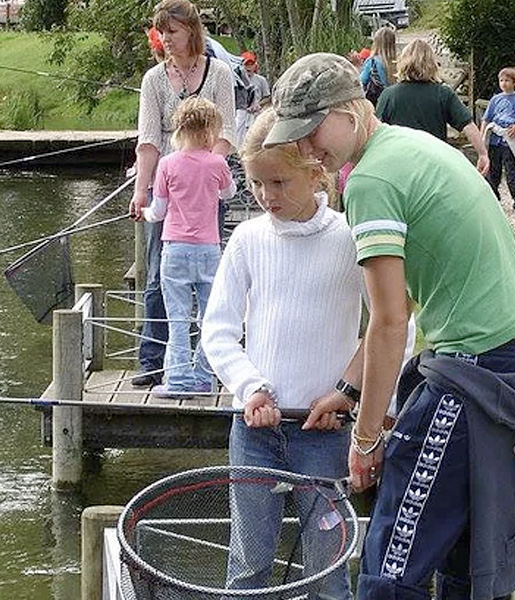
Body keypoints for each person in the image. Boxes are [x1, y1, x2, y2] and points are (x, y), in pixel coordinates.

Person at [264, 53, 515, 600]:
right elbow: (407, 301)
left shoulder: (370, 180)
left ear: (347, 111)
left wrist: (364, 440)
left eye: (313, 131)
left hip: (482, 367)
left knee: (390, 565)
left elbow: (389, 322)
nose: (307, 149)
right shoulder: (414, 146)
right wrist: (348, 390)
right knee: (468, 556)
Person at [201, 108, 364, 598]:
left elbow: (396, 327)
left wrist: (349, 395)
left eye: (278, 182)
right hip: (253, 432)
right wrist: (250, 389)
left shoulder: (350, 238)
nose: (266, 196)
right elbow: (218, 331)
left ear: (316, 174)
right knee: (249, 566)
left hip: (324, 433)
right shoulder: (248, 240)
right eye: (255, 183)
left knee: (328, 572)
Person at [128, 0, 235, 388]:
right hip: (166, 185)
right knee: (158, 272)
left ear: (191, 30)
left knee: (210, 280)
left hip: (205, 185)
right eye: (161, 32)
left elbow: (226, 134)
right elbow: (149, 139)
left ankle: (210, 363)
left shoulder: (219, 73)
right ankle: (153, 360)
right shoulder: (153, 80)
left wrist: (206, 168)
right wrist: (142, 191)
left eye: (172, 31)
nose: (166, 39)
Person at [140, 96, 235, 396]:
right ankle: (205, 379)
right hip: (209, 249)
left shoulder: (167, 164)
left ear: (179, 129)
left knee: (177, 318)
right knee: (209, 317)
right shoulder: (218, 163)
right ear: (210, 131)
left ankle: (178, 380)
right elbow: (229, 193)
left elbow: (157, 212)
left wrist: (142, 213)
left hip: (176, 249)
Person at [375, 39, 489, 175]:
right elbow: (468, 125)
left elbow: (375, 133)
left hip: (400, 167)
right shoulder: (443, 93)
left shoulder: (389, 95)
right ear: (432, 63)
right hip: (433, 167)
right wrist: (482, 154)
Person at [481, 66, 515, 211]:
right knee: (493, 170)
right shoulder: (495, 99)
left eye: (507, 80)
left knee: (512, 171)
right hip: (494, 140)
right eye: (501, 80)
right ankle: (492, 198)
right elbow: (486, 119)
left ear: (514, 82)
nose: (504, 83)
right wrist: (482, 137)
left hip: (509, 140)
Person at [234, 50, 271, 148]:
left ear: (255, 65)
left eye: (251, 64)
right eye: (246, 65)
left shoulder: (261, 80)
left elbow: (267, 97)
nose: (249, 67)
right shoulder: (236, 80)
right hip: (240, 113)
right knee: (239, 139)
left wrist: (258, 105)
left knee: (255, 138)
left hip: (256, 114)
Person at [360, 26, 396, 105]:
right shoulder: (398, 62)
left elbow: (361, 81)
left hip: (377, 102)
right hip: (394, 101)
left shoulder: (372, 62)